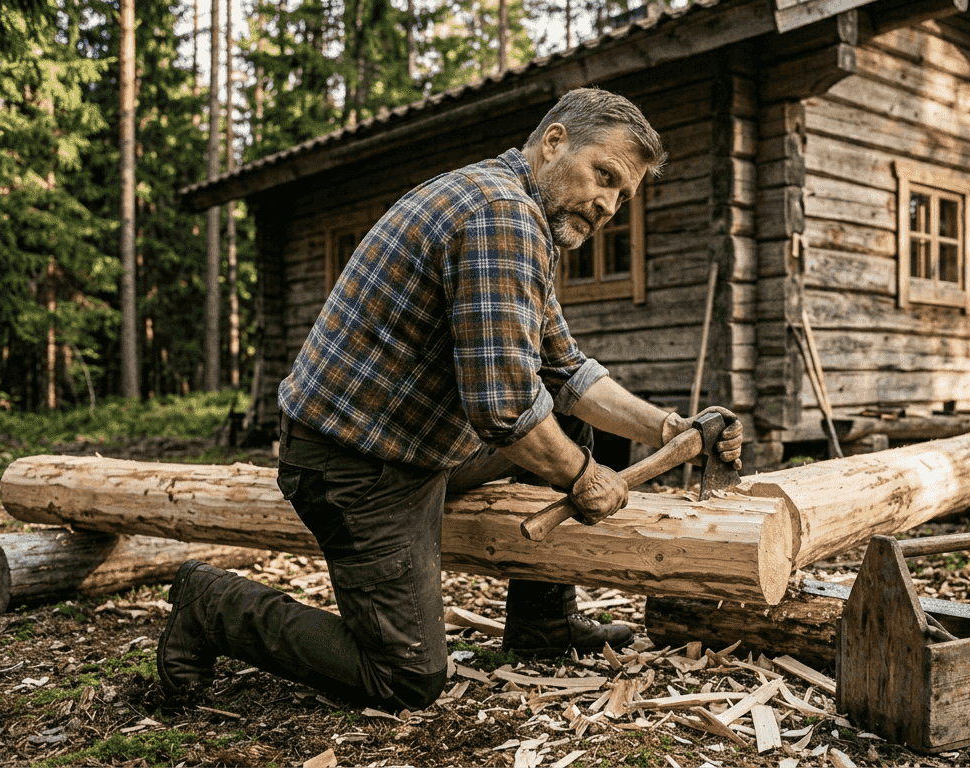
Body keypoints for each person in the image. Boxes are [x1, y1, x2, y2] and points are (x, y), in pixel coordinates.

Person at [157, 87, 744, 713]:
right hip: (353, 464)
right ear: (553, 143)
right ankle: (212, 603)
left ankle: (542, 623)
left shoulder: (522, 218)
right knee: (404, 678)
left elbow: (566, 372)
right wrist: (584, 477)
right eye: (603, 176)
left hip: (408, 440)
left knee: (567, 427)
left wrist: (668, 427)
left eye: (621, 195)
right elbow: (505, 408)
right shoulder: (502, 216)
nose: (607, 204)